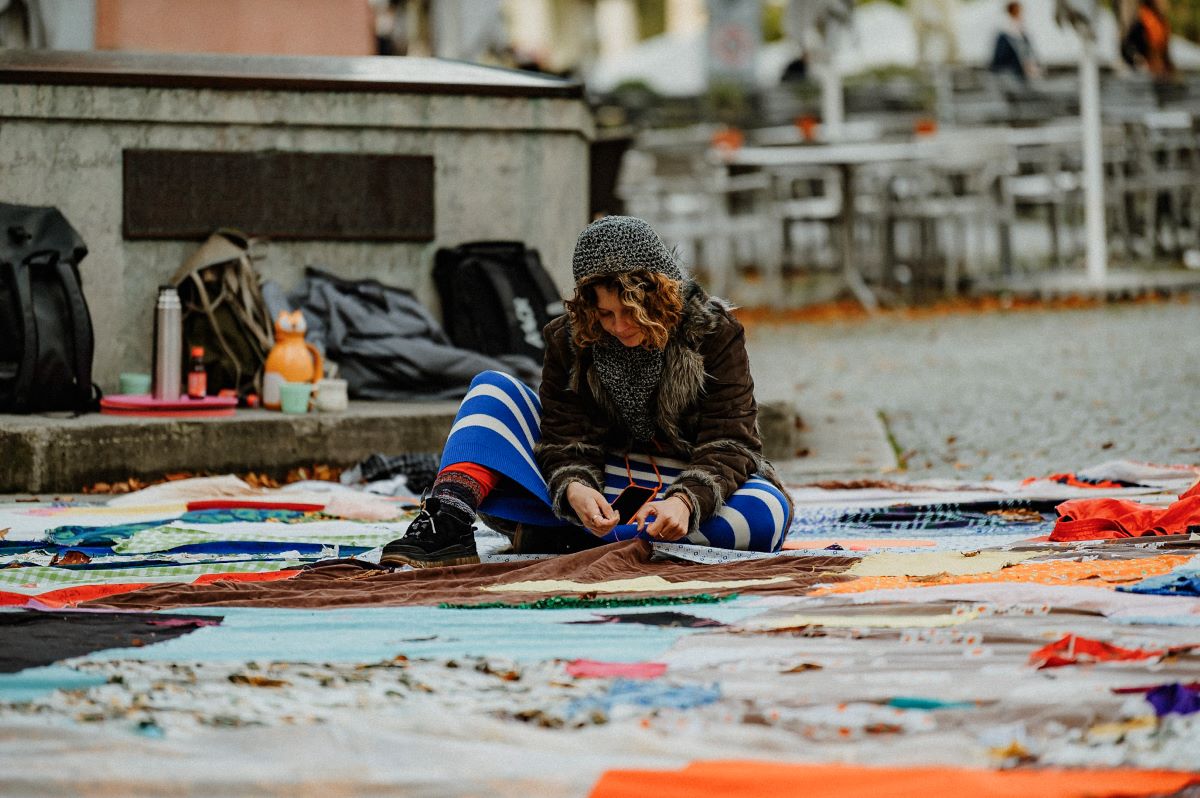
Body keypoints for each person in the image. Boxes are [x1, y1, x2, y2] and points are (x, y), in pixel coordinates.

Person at [380, 215, 794, 568]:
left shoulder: (714, 331)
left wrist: (685, 502)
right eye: (605, 313)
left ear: (661, 293)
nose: (617, 326)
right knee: (492, 390)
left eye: (630, 311)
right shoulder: (569, 338)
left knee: (766, 514)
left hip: (681, 484)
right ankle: (446, 526)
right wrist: (575, 488)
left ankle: (563, 540)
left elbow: (731, 441)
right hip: (599, 488)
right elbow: (564, 439)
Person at [1122, 0, 1175, 80]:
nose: (1165, 3)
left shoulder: (1161, 22)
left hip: (1160, 71)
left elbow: (1164, 50)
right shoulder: (1143, 20)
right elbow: (1127, 46)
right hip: (1148, 71)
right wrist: (1139, 62)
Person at [989, 1, 1040, 83]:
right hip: (1010, 73)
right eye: (1018, 11)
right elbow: (1001, 56)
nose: (1021, 14)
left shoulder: (1022, 31)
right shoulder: (1005, 32)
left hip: (1022, 72)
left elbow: (1028, 52)